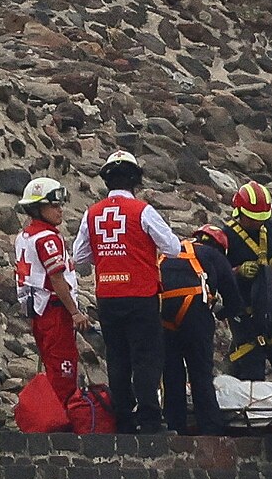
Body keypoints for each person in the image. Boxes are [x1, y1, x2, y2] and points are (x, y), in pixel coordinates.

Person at [72, 151, 182, 433]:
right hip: (141, 294)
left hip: (107, 295)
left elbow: (80, 256)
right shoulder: (142, 211)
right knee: (146, 357)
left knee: (117, 357)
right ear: (135, 179)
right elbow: (172, 248)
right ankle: (149, 420)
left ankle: (122, 419)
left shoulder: (91, 213)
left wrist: (109, 257)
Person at [159, 225, 244, 434]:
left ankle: (174, 426)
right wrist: (221, 313)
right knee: (200, 373)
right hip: (194, 311)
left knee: (172, 374)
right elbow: (234, 300)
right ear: (220, 246)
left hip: (162, 314)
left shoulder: (168, 253)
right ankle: (211, 428)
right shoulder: (214, 256)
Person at [13, 177, 91, 404]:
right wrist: (75, 312)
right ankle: (62, 426)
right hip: (55, 310)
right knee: (63, 371)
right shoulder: (47, 239)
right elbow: (56, 278)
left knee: (51, 367)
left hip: (38, 311)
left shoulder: (25, 236)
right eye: (53, 206)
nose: (60, 211)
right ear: (38, 208)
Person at [222, 181, 272, 383]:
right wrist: (237, 271)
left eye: (262, 218)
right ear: (239, 212)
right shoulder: (226, 235)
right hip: (245, 312)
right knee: (251, 368)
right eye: (253, 219)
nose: (258, 223)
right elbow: (216, 271)